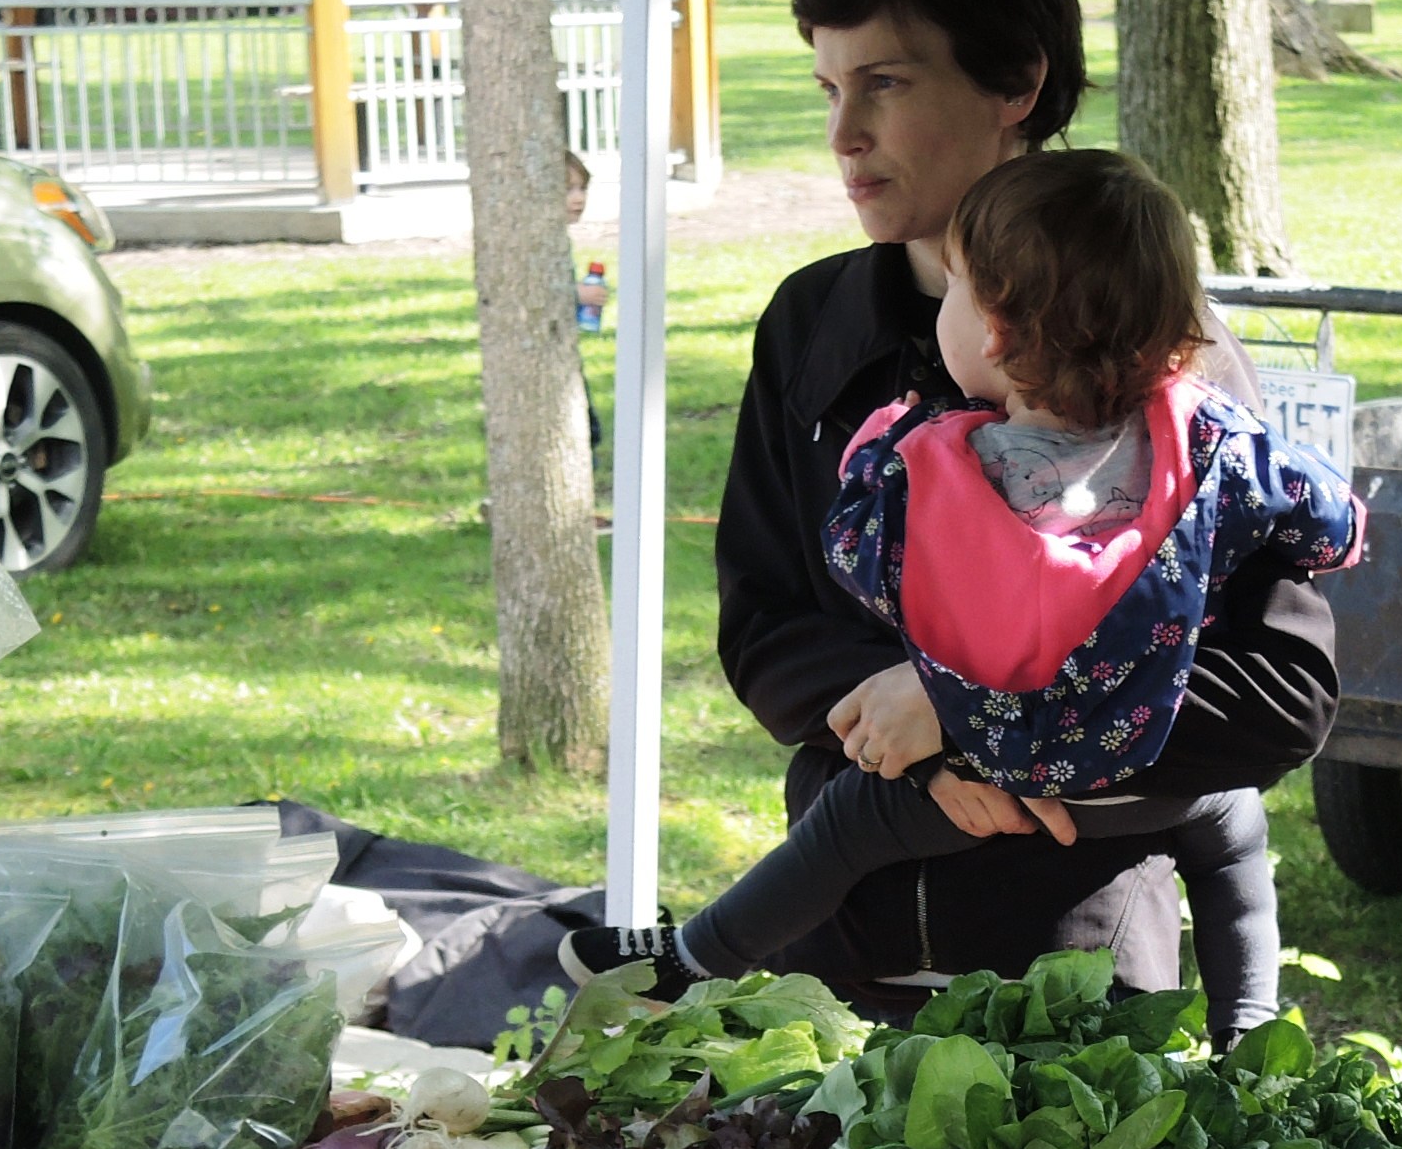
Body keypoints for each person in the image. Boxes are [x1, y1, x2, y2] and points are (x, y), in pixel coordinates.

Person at [714, 0, 1338, 1003]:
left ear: (1017, 86)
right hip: (828, 950)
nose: (841, 135)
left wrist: (974, 720)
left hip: (1072, 969)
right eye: (828, 87)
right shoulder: (809, 327)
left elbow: (1279, 693)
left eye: (885, 84)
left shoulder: (1169, 366)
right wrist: (905, 728)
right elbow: (763, 625)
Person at [579, 152, 1360, 1037]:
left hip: (995, 770)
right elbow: (1323, 517)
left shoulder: (942, 460)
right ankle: (1248, 1028)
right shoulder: (1209, 438)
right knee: (1236, 837)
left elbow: (854, 560)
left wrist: (954, 698)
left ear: (991, 332)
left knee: (846, 826)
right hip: (1144, 783)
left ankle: (692, 956)